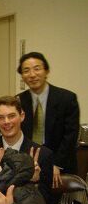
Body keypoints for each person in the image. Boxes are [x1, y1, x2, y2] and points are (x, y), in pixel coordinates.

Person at [17, 52, 80, 187]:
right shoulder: (18, 101)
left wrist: (56, 164)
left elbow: (70, 136)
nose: (32, 74)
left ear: (47, 71)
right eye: (26, 70)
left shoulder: (67, 99)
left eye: (37, 68)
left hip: (60, 167)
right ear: (22, 76)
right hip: (27, 166)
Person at [0, 95, 56, 204]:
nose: (6, 122)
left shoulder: (43, 154)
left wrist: (33, 183)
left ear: (22, 116)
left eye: (11, 116)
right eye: (1, 118)